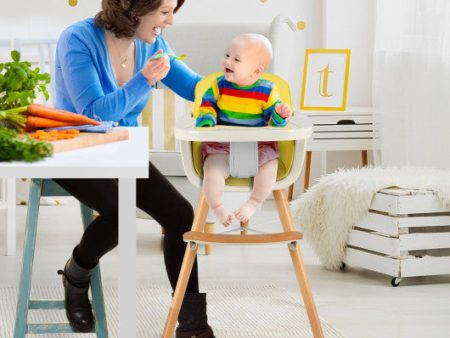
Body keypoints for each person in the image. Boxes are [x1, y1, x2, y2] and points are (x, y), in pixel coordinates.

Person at [52, 1, 214, 337]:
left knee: (180, 215)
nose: (170, 21)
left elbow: (193, 86)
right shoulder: (77, 39)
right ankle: (77, 274)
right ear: (136, 8)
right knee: (121, 213)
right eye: (165, 11)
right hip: (73, 147)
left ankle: (193, 324)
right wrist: (143, 80)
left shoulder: (151, 41)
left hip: (123, 147)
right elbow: (94, 111)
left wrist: (244, 92)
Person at [195, 33, 292, 226]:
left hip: (258, 148)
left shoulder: (267, 91)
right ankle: (217, 207)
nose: (227, 61)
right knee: (212, 170)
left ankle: (254, 202)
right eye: (227, 55)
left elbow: (274, 123)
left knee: (270, 166)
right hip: (222, 146)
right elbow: (206, 105)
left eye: (236, 59)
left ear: (256, 71)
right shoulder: (218, 86)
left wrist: (280, 115)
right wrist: (207, 119)